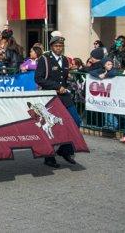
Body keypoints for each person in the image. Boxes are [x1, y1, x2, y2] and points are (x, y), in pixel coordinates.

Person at [35, 35, 81, 168]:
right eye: (56, 46)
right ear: (51, 47)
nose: (59, 48)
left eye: (61, 46)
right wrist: (56, 86)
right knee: (50, 126)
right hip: (49, 96)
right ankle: (49, 156)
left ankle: (65, 150)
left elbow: (64, 78)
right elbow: (38, 78)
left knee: (75, 121)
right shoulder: (44, 59)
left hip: (64, 96)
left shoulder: (66, 60)